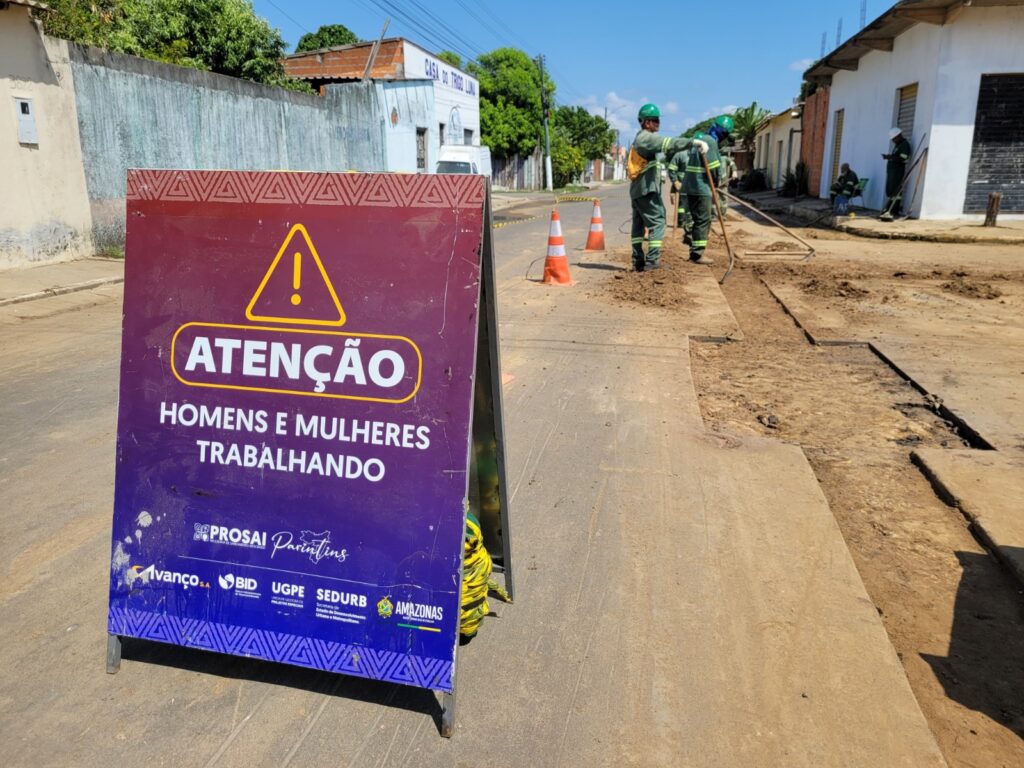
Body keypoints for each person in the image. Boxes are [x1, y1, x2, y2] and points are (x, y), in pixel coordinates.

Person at [628, 103, 707, 272]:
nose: (658, 123)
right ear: (646, 122)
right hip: (646, 190)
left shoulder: (641, 139)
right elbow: (669, 143)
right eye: (655, 120)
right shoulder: (646, 138)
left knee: (638, 225)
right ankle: (652, 261)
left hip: (639, 190)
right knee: (658, 222)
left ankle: (638, 261)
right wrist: (692, 142)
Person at [682, 118, 730, 266]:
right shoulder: (711, 142)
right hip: (701, 187)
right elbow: (714, 168)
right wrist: (716, 183)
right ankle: (697, 254)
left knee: (697, 220)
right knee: (703, 220)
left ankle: (694, 248)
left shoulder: (699, 138)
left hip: (689, 186)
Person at [881, 127, 911, 220]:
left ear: (899, 136)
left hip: (897, 172)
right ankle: (889, 208)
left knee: (896, 191)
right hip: (892, 172)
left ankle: (894, 210)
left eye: (894, 138)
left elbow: (903, 158)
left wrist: (890, 157)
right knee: (890, 191)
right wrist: (890, 157)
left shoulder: (904, 145)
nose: (893, 141)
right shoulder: (898, 145)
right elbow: (896, 156)